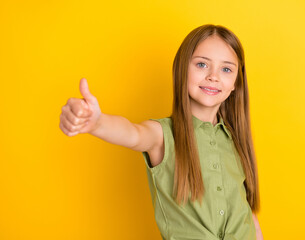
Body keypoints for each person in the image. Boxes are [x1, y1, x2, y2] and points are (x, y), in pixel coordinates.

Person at [59, 24, 264, 240]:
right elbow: (133, 133)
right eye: (202, 64)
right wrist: (97, 122)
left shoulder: (235, 139)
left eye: (226, 69)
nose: (213, 76)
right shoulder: (162, 135)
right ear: (181, 69)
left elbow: (247, 214)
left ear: (236, 83)